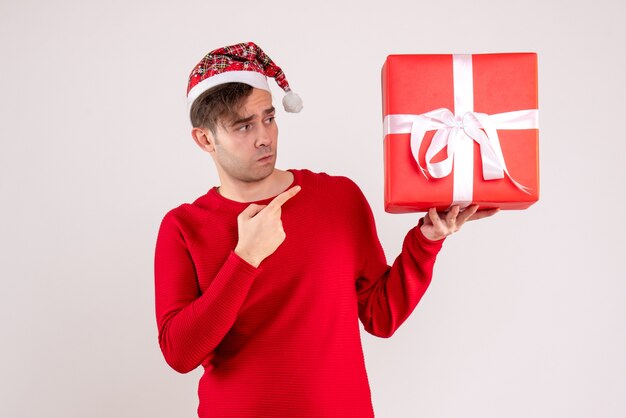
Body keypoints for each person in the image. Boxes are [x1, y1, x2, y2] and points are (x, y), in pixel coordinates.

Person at [154, 41, 498, 418]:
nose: (264, 136)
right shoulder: (183, 227)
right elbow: (181, 354)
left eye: (269, 118)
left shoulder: (337, 197)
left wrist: (427, 240)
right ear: (205, 139)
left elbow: (381, 317)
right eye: (243, 126)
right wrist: (245, 258)